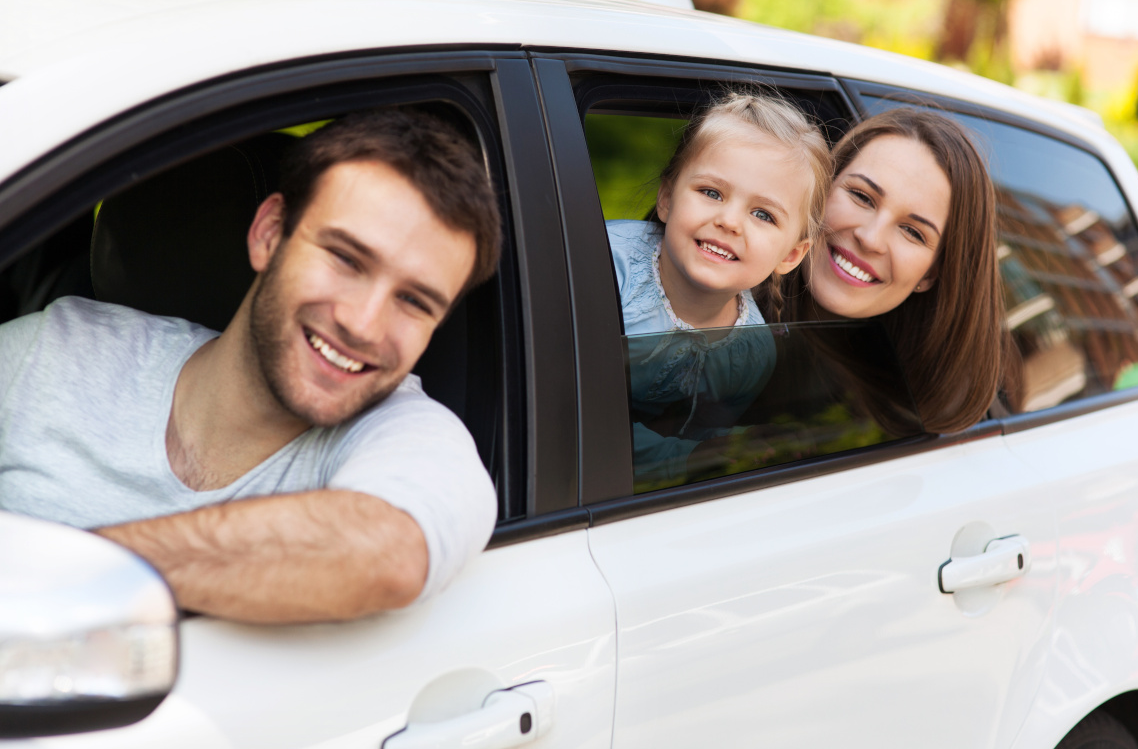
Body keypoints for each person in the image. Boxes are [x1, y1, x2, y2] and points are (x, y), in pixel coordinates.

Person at [0, 107, 503, 624]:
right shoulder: (53, 351)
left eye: (415, 302)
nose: (365, 326)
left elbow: (390, 551)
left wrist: (57, 580)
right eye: (346, 259)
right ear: (269, 233)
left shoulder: (416, 436)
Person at [606, 90, 832, 484]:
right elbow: (569, 408)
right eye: (711, 192)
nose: (729, 221)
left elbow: (700, 441)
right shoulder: (605, 266)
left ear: (791, 256)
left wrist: (722, 449)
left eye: (763, 214)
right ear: (666, 198)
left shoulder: (751, 354)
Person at [782, 107, 1007, 434]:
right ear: (821, 188)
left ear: (931, 274)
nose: (870, 238)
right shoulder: (710, 300)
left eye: (913, 232)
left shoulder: (914, 417)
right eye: (861, 196)